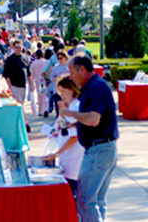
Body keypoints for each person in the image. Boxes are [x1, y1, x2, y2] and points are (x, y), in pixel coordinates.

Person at [60, 54, 119, 222]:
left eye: (72, 73)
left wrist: (70, 113)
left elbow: (93, 119)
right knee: (97, 200)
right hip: (104, 149)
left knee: (85, 200)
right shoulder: (93, 87)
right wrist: (73, 126)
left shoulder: (95, 88)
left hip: (98, 151)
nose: (70, 78)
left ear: (83, 70)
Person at [43, 75, 84, 198]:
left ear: (72, 90)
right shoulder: (70, 108)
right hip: (67, 160)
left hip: (73, 162)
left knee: (73, 197)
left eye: (63, 92)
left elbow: (75, 137)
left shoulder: (76, 108)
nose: (62, 95)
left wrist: (56, 154)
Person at [3, 39, 34, 132]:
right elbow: (6, 74)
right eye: (16, 47)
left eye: (20, 47)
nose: (18, 49)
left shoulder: (25, 58)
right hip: (15, 86)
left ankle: (18, 123)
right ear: (13, 47)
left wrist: (31, 85)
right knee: (20, 105)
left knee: (20, 106)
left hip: (23, 86)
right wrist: (10, 86)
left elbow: (29, 73)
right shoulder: (10, 59)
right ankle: (26, 124)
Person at [48, 50, 69, 118]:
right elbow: (51, 77)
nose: (59, 60)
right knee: (58, 105)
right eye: (58, 58)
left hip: (67, 89)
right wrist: (55, 79)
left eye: (61, 58)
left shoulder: (69, 66)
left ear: (65, 57)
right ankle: (58, 118)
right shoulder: (56, 67)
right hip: (57, 89)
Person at [30, 49, 49, 117]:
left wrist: (31, 83)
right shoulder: (46, 62)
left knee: (39, 96)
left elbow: (32, 74)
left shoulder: (34, 63)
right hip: (45, 80)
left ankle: (40, 111)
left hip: (38, 81)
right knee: (45, 96)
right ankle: (45, 109)